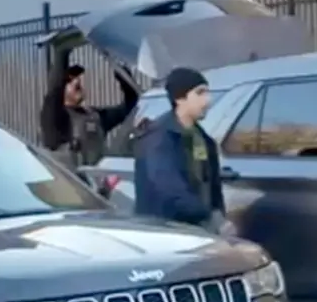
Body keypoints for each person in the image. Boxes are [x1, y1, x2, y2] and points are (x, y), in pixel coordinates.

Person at [133, 67, 235, 236]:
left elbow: (211, 186)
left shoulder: (203, 139)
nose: (207, 100)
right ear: (180, 98)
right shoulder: (159, 137)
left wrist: (218, 217)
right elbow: (169, 189)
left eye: (207, 93)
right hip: (167, 231)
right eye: (200, 93)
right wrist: (208, 215)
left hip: (196, 229)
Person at [39, 61, 139, 169]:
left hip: (96, 183)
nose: (76, 81)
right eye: (69, 80)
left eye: (77, 77)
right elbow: (53, 93)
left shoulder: (96, 117)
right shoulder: (54, 121)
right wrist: (62, 52)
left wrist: (122, 75)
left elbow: (132, 104)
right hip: (69, 184)